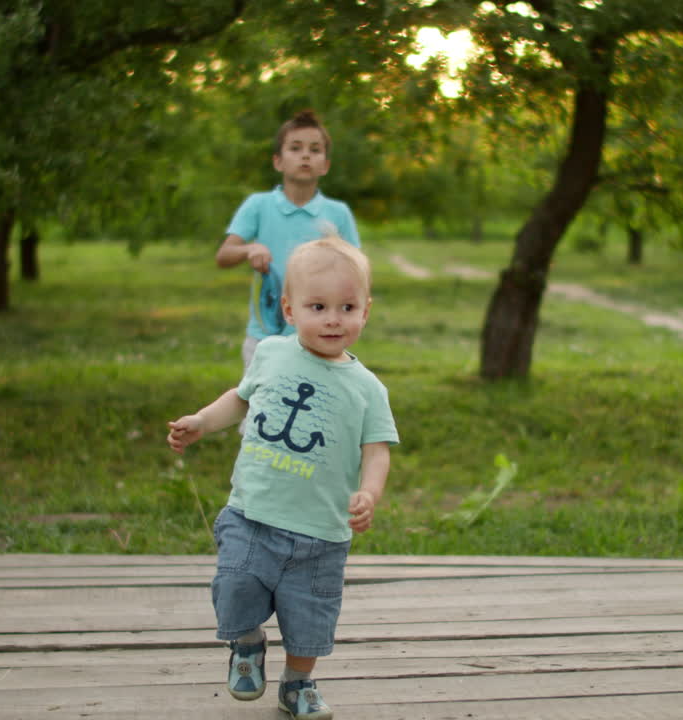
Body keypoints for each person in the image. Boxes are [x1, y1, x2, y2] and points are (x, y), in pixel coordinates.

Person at [167, 235, 396, 720]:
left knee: (309, 618)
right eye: (318, 306)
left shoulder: (369, 389)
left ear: (366, 311)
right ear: (289, 310)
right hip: (253, 513)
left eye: (347, 307)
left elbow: (376, 451)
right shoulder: (271, 354)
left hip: (321, 534)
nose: (333, 318)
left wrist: (369, 493)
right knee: (235, 586)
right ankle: (247, 642)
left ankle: (298, 684)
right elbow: (241, 398)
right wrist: (202, 422)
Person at [216, 110, 360, 373]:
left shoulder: (338, 214)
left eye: (315, 150)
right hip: (266, 334)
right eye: (295, 148)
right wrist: (249, 249)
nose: (305, 155)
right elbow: (224, 255)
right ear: (278, 161)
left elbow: (358, 272)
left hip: (321, 336)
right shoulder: (258, 206)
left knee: (315, 410)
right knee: (261, 408)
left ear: (325, 165)